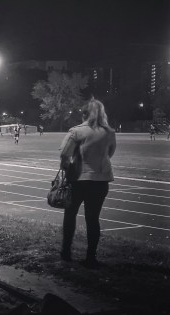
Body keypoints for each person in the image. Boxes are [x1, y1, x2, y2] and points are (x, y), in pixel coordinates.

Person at [59, 98, 115, 267]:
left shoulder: (77, 131)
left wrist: (68, 168)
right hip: (100, 180)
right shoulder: (109, 132)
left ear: (84, 114)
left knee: (70, 215)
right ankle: (91, 257)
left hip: (79, 179)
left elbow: (64, 154)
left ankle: (66, 252)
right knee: (93, 219)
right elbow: (110, 153)